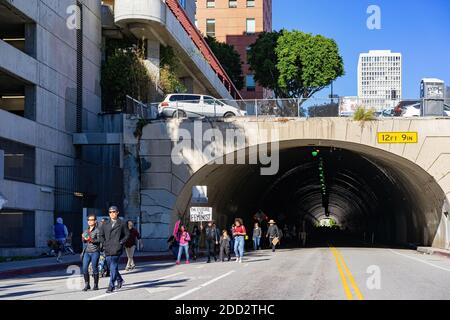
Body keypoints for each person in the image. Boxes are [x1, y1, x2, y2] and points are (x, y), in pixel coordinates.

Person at [99, 206, 130, 293]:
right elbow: (101, 235)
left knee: (113, 266)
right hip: (107, 248)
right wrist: (104, 243)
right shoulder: (105, 223)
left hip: (117, 248)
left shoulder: (122, 223)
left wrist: (121, 242)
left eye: (114, 212)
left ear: (117, 212)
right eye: (110, 212)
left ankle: (111, 286)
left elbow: (127, 235)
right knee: (110, 267)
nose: (112, 213)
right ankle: (119, 279)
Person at [81, 214, 100, 291]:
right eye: (88, 220)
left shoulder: (97, 230)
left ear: (95, 221)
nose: (89, 221)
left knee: (94, 268)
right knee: (84, 268)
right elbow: (84, 241)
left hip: (95, 251)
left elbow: (99, 240)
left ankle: (96, 285)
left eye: (91, 220)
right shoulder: (86, 230)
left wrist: (90, 239)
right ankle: (87, 284)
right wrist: (83, 238)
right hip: (87, 252)